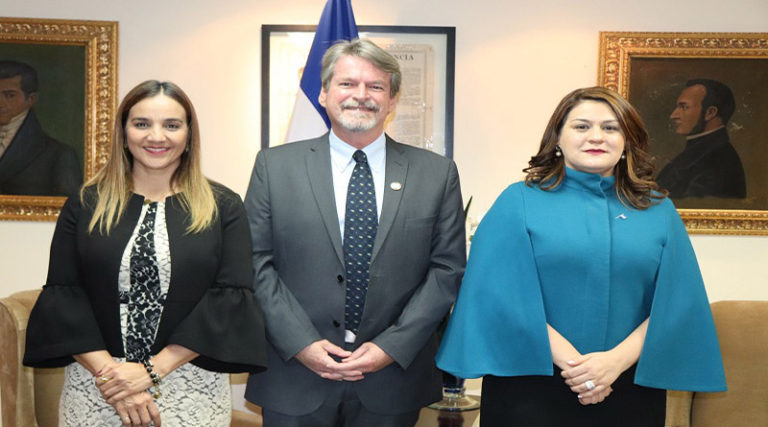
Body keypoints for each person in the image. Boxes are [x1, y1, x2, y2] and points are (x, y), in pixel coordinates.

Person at [436, 87, 726, 426]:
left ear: (626, 141)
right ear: (557, 138)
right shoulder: (518, 201)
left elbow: (678, 301)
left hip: (629, 386)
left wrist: (613, 363)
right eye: (582, 126)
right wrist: (578, 368)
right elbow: (496, 296)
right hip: (530, 383)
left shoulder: (658, 209)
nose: (596, 136)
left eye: (611, 128)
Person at [244, 38, 466, 426]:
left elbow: (446, 271)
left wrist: (390, 347)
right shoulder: (274, 167)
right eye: (347, 83)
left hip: (391, 380)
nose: (361, 95)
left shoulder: (436, 174)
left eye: (375, 86)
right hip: (295, 375)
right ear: (324, 93)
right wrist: (301, 343)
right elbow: (254, 263)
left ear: (392, 99)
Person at [23, 80, 267, 427]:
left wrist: (150, 372)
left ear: (189, 135)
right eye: (142, 124)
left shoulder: (223, 206)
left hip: (188, 385)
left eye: (171, 125)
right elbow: (64, 296)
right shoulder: (86, 202)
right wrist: (115, 379)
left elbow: (228, 301)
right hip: (99, 386)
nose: (157, 136)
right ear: (123, 133)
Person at [0, 60, 82, 196]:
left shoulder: (59, 155)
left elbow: (68, 205)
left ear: (31, 99)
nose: (0, 102)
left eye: (10, 96)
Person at [656, 78, 746, 199]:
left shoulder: (717, 163)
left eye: (684, 107)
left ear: (710, 113)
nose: (673, 115)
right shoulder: (700, 155)